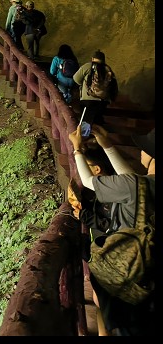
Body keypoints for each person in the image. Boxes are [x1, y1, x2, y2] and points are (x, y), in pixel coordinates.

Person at [69, 126, 155, 336]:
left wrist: (77, 150)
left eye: (144, 148)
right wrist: (106, 144)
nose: (140, 152)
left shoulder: (135, 185)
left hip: (125, 272)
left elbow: (89, 182)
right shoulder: (144, 184)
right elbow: (131, 179)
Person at [73, 50, 119, 126]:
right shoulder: (108, 69)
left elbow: (76, 78)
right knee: (98, 123)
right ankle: (98, 136)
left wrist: (84, 85)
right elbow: (113, 87)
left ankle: (87, 136)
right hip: (102, 102)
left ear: (92, 58)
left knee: (85, 126)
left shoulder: (88, 66)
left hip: (88, 101)